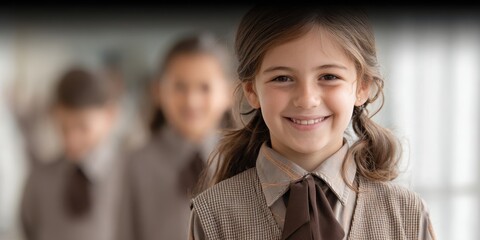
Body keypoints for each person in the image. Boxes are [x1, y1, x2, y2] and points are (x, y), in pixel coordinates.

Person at [189, 6, 436, 240]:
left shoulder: (407, 215)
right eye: (282, 78)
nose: (307, 100)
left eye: (329, 76)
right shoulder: (213, 216)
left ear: (362, 86)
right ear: (252, 90)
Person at [118, 33, 234, 240]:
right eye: (180, 87)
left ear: (228, 93)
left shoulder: (243, 159)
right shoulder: (135, 163)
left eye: (204, 87)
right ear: (158, 91)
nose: (191, 100)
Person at [20, 67, 124, 240]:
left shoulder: (130, 174)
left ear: (110, 115)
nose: (71, 140)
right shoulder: (40, 178)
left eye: (82, 127)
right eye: (63, 127)